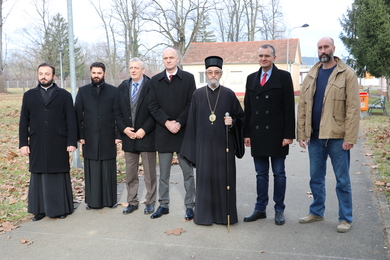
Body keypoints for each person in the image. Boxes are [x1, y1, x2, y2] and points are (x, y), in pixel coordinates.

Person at [297, 37, 360, 233]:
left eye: (326, 47)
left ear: (333, 48)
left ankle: (345, 218)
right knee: (316, 178)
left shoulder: (347, 74)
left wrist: (350, 138)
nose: (323, 50)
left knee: (342, 180)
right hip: (315, 137)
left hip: (337, 137)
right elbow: (303, 106)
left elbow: (353, 108)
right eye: (319, 47)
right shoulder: (311, 74)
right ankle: (316, 211)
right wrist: (301, 133)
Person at [181, 56, 245, 225]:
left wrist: (233, 122)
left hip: (224, 146)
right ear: (206, 74)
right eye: (210, 72)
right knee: (205, 180)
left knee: (224, 180)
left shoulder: (229, 94)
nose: (213, 75)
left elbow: (240, 118)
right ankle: (205, 216)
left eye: (216, 72)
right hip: (203, 148)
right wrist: (192, 149)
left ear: (221, 74)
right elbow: (192, 124)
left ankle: (224, 217)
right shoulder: (197, 94)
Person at [243, 44, 295, 225]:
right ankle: (260, 209)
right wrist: (246, 133)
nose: (263, 58)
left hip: (278, 135)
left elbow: (289, 108)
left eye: (267, 55)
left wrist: (289, 135)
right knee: (261, 174)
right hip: (257, 134)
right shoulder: (251, 79)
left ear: (274, 57)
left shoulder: (284, 77)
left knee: (279, 173)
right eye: (260, 56)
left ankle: (279, 209)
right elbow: (247, 109)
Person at [19, 63, 77, 221]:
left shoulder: (64, 95)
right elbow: (24, 120)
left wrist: (72, 141)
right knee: (39, 175)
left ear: (54, 76)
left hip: (58, 141)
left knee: (58, 174)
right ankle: (39, 210)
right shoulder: (29, 95)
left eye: (47, 73)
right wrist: (23, 143)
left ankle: (61, 209)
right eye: (41, 73)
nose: (43, 76)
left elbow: (71, 120)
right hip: (37, 141)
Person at [148, 47, 196, 220]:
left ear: (178, 59)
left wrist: (179, 122)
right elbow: (152, 106)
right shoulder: (155, 80)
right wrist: (167, 122)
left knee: (188, 173)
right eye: (165, 58)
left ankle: (190, 206)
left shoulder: (188, 79)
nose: (168, 60)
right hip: (164, 132)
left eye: (171, 57)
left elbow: (191, 104)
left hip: (183, 134)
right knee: (164, 174)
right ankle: (163, 205)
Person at [114, 58, 157, 215]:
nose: (133, 70)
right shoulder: (123, 87)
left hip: (146, 136)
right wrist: (124, 129)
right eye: (131, 67)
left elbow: (155, 111)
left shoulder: (152, 86)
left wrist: (144, 129)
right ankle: (132, 202)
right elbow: (117, 111)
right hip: (129, 137)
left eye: (136, 68)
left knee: (149, 173)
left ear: (143, 70)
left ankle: (150, 202)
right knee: (131, 173)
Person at [75, 62, 120, 210]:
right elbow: (77, 115)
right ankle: (93, 202)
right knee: (92, 170)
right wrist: (79, 135)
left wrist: (118, 134)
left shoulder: (114, 91)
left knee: (108, 169)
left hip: (108, 136)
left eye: (99, 73)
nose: (96, 76)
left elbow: (118, 115)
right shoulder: (83, 91)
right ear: (90, 73)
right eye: (94, 73)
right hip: (89, 137)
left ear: (104, 74)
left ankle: (110, 200)